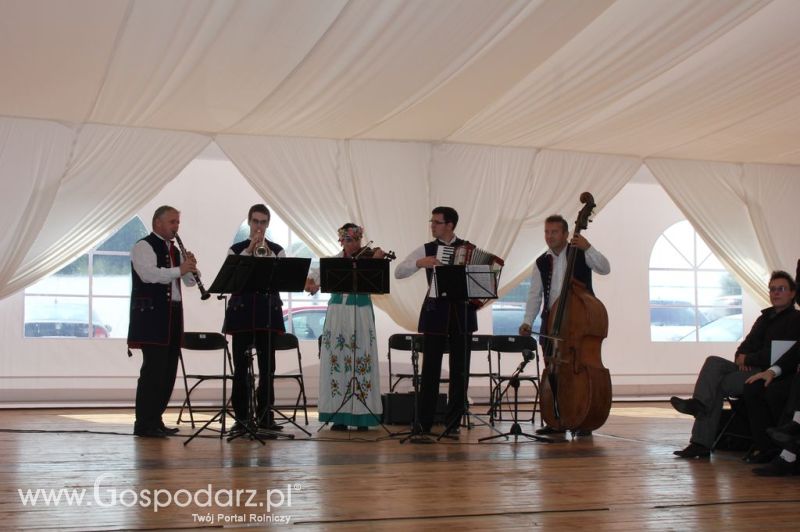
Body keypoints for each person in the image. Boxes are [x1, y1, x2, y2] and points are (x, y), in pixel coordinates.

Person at [671, 270, 800, 459]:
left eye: (781, 289)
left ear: (792, 293)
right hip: (748, 368)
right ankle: (698, 404)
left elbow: (778, 354)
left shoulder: (796, 320)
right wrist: (741, 356)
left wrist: (748, 359)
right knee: (713, 362)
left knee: (715, 386)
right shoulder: (764, 318)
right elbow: (744, 346)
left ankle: (700, 441)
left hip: (767, 372)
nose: (776, 293)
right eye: (772, 289)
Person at [518, 214, 610, 436]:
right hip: (551, 323)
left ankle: (581, 417)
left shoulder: (580, 252)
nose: (549, 236)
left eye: (554, 232)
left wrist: (588, 248)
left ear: (566, 234)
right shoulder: (541, 261)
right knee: (554, 372)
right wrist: (527, 321)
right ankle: (556, 420)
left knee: (577, 370)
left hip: (578, 324)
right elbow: (535, 295)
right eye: (547, 232)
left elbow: (605, 268)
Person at [395, 206, 476, 435]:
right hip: (435, 314)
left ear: (450, 225)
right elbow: (399, 272)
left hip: (462, 316)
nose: (432, 225)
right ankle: (423, 423)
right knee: (430, 370)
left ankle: (453, 424)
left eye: (436, 222)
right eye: (432, 221)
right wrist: (421, 263)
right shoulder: (427, 249)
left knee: (460, 371)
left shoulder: (468, 250)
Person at [128, 205, 198, 438]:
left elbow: (187, 283)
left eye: (177, 222)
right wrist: (179, 269)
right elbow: (149, 274)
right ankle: (144, 423)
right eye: (172, 222)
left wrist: (191, 269)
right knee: (153, 371)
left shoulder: (175, 250)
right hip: (152, 316)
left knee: (168, 371)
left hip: (173, 314)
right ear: (157, 223)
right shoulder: (143, 246)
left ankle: (156, 419)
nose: (176, 226)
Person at [223, 204, 288, 433]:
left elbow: (281, 280)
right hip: (242, 315)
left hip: (267, 314)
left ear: (267, 224)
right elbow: (232, 279)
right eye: (255, 222)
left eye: (263, 222)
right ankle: (241, 418)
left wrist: (266, 252)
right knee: (240, 369)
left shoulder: (278, 250)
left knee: (267, 369)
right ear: (249, 222)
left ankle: (264, 416)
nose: (259, 226)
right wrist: (249, 250)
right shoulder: (236, 249)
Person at [317, 224, 384, 431]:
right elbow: (313, 281)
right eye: (348, 240)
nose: (352, 244)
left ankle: (362, 415)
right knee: (337, 359)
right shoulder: (334, 263)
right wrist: (311, 283)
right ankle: (339, 416)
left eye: (356, 240)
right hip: (338, 314)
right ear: (341, 241)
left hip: (361, 312)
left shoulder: (369, 259)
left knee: (362, 358)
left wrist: (377, 260)